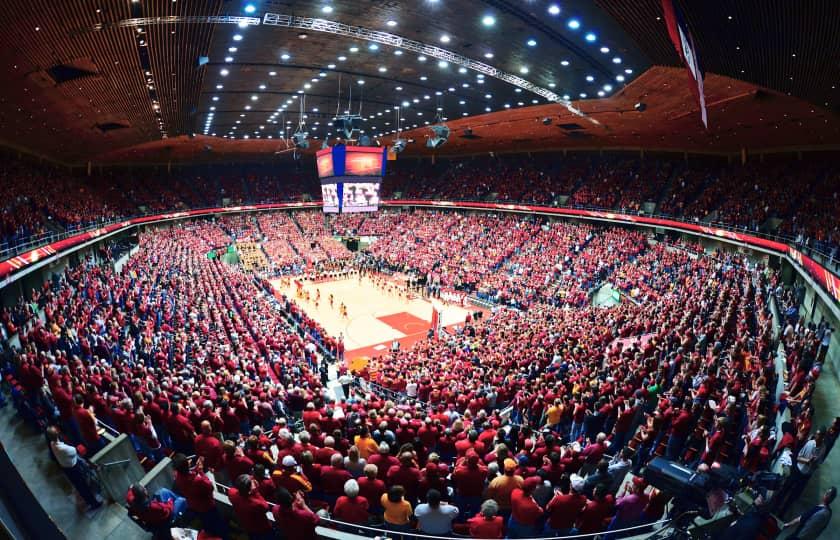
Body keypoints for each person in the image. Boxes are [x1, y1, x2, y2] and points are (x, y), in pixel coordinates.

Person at [46, 426, 101, 511]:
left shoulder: (52, 443)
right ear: (57, 433)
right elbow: (74, 451)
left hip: (66, 468)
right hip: (73, 468)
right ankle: (93, 503)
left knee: (80, 486)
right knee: (83, 485)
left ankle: (89, 499)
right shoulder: (62, 448)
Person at [172, 454, 228, 538]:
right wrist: (201, 471)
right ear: (187, 464)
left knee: (206, 523)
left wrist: (196, 469)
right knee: (218, 524)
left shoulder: (177, 476)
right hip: (207, 506)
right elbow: (210, 487)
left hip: (194, 505)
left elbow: (187, 474)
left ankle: (211, 533)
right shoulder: (197, 481)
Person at [228, 474, 273, 540]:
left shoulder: (231, 493)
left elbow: (235, 490)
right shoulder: (255, 504)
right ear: (249, 489)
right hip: (261, 528)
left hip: (247, 526)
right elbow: (266, 507)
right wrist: (256, 491)